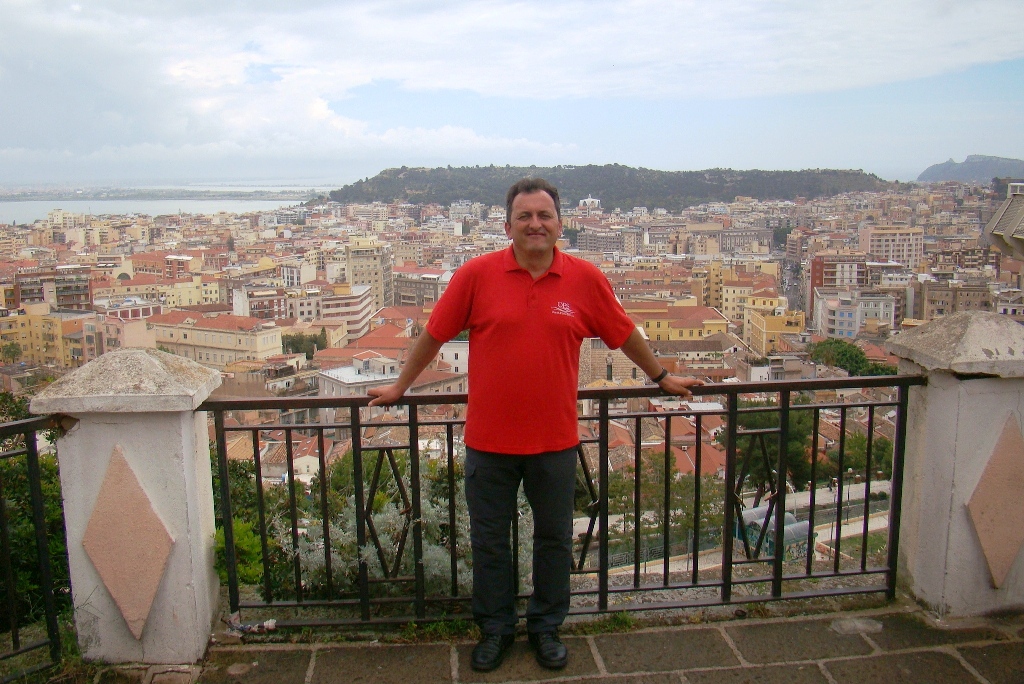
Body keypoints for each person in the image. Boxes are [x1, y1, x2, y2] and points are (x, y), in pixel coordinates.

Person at [368, 178, 703, 672]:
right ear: (508, 226)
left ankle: (546, 627)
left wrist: (660, 376)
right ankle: (496, 630)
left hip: (554, 441)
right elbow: (435, 334)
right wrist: (401, 386)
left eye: (544, 215)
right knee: (490, 544)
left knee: (553, 540)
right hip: (489, 442)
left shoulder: (585, 279)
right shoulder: (476, 275)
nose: (535, 224)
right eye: (524, 216)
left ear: (560, 224)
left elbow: (622, 332)